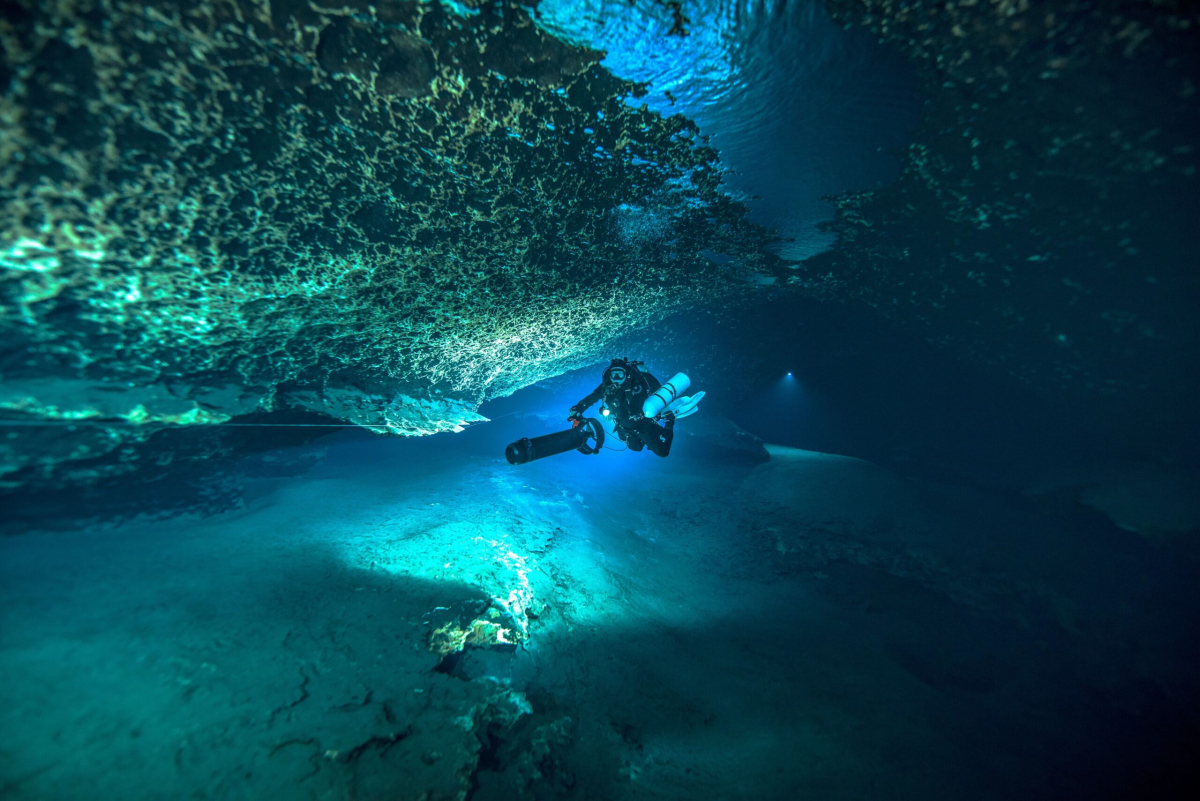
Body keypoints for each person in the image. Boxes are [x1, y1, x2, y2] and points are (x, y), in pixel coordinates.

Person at [569, 358, 674, 457]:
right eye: (613, 374)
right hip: (623, 424)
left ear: (626, 374)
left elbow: (635, 408)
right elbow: (592, 397)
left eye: (619, 374)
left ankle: (670, 421)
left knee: (663, 452)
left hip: (641, 423)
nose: (616, 378)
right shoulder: (607, 386)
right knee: (635, 448)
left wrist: (615, 414)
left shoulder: (636, 386)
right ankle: (644, 439)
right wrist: (578, 409)